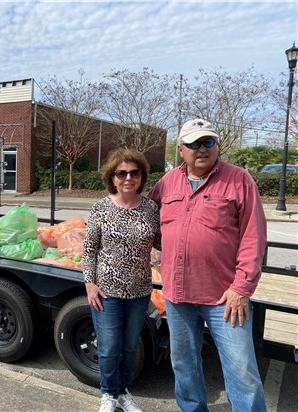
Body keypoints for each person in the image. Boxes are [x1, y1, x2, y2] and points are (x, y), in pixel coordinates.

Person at [148, 118, 267, 412]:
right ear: (180, 149)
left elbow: (254, 237)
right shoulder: (167, 183)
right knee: (184, 366)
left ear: (218, 145)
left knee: (242, 372)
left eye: (208, 142)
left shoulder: (239, 180)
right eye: (194, 143)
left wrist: (242, 287)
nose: (202, 148)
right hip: (177, 296)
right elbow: (146, 220)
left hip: (225, 298)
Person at [82, 148, 160, 412]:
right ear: (112, 177)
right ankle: (108, 395)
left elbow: (162, 241)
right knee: (109, 347)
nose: (129, 178)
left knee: (129, 347)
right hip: (107, 291)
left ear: (142, 176)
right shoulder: (100, 209)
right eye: (122, 173)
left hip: (139, 291)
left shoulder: (150, 208)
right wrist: (89, 283)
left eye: (134, 172)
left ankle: (124, 393)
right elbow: (89, 250)